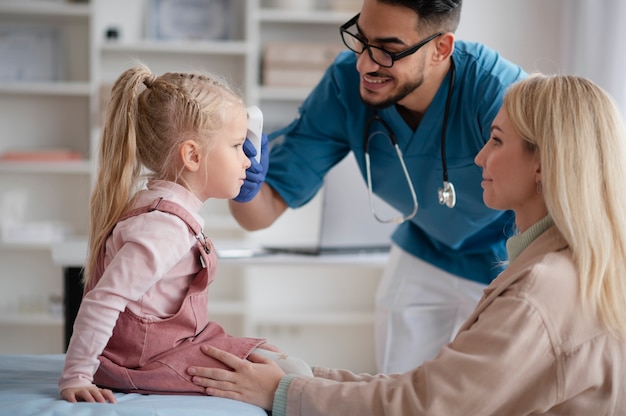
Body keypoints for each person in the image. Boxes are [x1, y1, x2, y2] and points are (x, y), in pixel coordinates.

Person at [188, 73, 626, 414]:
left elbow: (426, 405)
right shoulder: (567, 267)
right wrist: (299, 375)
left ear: (543, 165)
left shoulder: (541, 294)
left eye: (496, 140)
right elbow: (432, 387)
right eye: (362, 43)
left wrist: (285, 393)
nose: (477, 158)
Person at [229, 0, 527, 373]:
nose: (365, 64)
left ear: (441, 49)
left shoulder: (498, 92)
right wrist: (240, 179)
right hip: (424, 249)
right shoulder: (344, 87)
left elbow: (556, 200)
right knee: (397, 386)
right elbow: (261, 213)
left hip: (509, 256)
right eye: (362, 39)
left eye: (389, 50)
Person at [58, 66, 312, 404]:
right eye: (237, 146)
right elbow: (104, 299)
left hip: (174, 342)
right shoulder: (164, 228)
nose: (248, 161)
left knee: (277, 358)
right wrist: (76, 375)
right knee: (291, 373)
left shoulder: (167, 209)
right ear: (192, 155)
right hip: (143, 361)